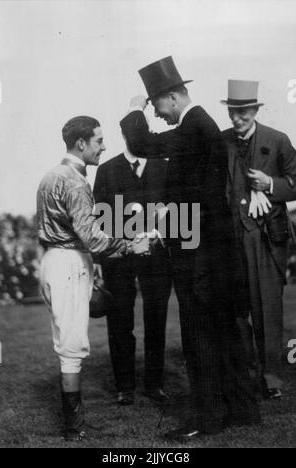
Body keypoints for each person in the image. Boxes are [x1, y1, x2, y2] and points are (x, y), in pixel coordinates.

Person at [120, 57, 261, 442]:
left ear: (171, 97)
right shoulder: (201, 127)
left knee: (200, 337)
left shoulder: (194, 125)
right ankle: (242, 410)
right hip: (215, 254)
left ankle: (208, 417)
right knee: (227, 334)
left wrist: (134, 108)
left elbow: (141, 142)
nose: (157, 115)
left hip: (200, 260)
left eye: (156, 105)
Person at [37, 116, 150, 441]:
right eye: (99, 141)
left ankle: (77, 424)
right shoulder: (73, 180)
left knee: (67, 343)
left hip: (55, 261)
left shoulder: (51, 175)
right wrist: (131, 244)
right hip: (69, 264)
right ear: (81, 144)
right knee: (72, 348)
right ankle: (74, 429)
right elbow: (93, 238)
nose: (104, 146)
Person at [221, 80, 296, 399]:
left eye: (244, 112)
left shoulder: (277, 140)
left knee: (267, 309)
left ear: (255, 110)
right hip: (230, 238)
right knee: (235, 313)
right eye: (233, 112)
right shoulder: (220, 141)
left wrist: (270, 185)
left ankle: (272, 380)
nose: (238, 118)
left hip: (266, 239)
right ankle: (244, 375)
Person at [93, 131, 172, 405]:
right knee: (119, 321)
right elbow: (100, 219)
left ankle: (154, 384)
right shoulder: (106, 170)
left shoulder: (164, 165)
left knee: (156, 319)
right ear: (125, 134)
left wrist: (155, 235)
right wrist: (126, 242)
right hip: (119, 259)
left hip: (158, 256)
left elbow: (175, 209)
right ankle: (125, 386)